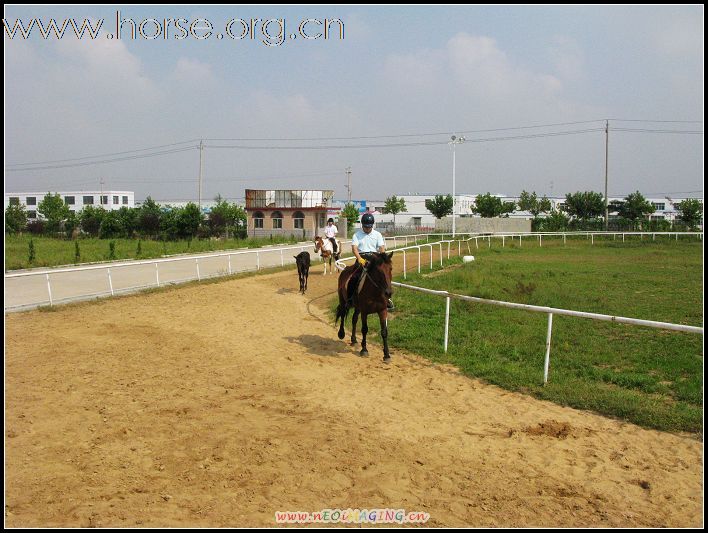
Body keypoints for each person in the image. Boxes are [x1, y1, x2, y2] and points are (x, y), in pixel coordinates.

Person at [349, 213, 394, 311]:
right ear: (362, 225)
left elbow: (381, 248)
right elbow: (354, 248)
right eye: (365, 227)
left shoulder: (377, 234)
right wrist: (359, 258)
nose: (367, 229)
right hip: (362, 258)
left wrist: (383, 260)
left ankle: (387, 299)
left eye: (369, 227)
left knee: (383, 277)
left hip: (375, 259)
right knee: (354, 277)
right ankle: (350, 298)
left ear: (372, 225)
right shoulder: (357, 235)